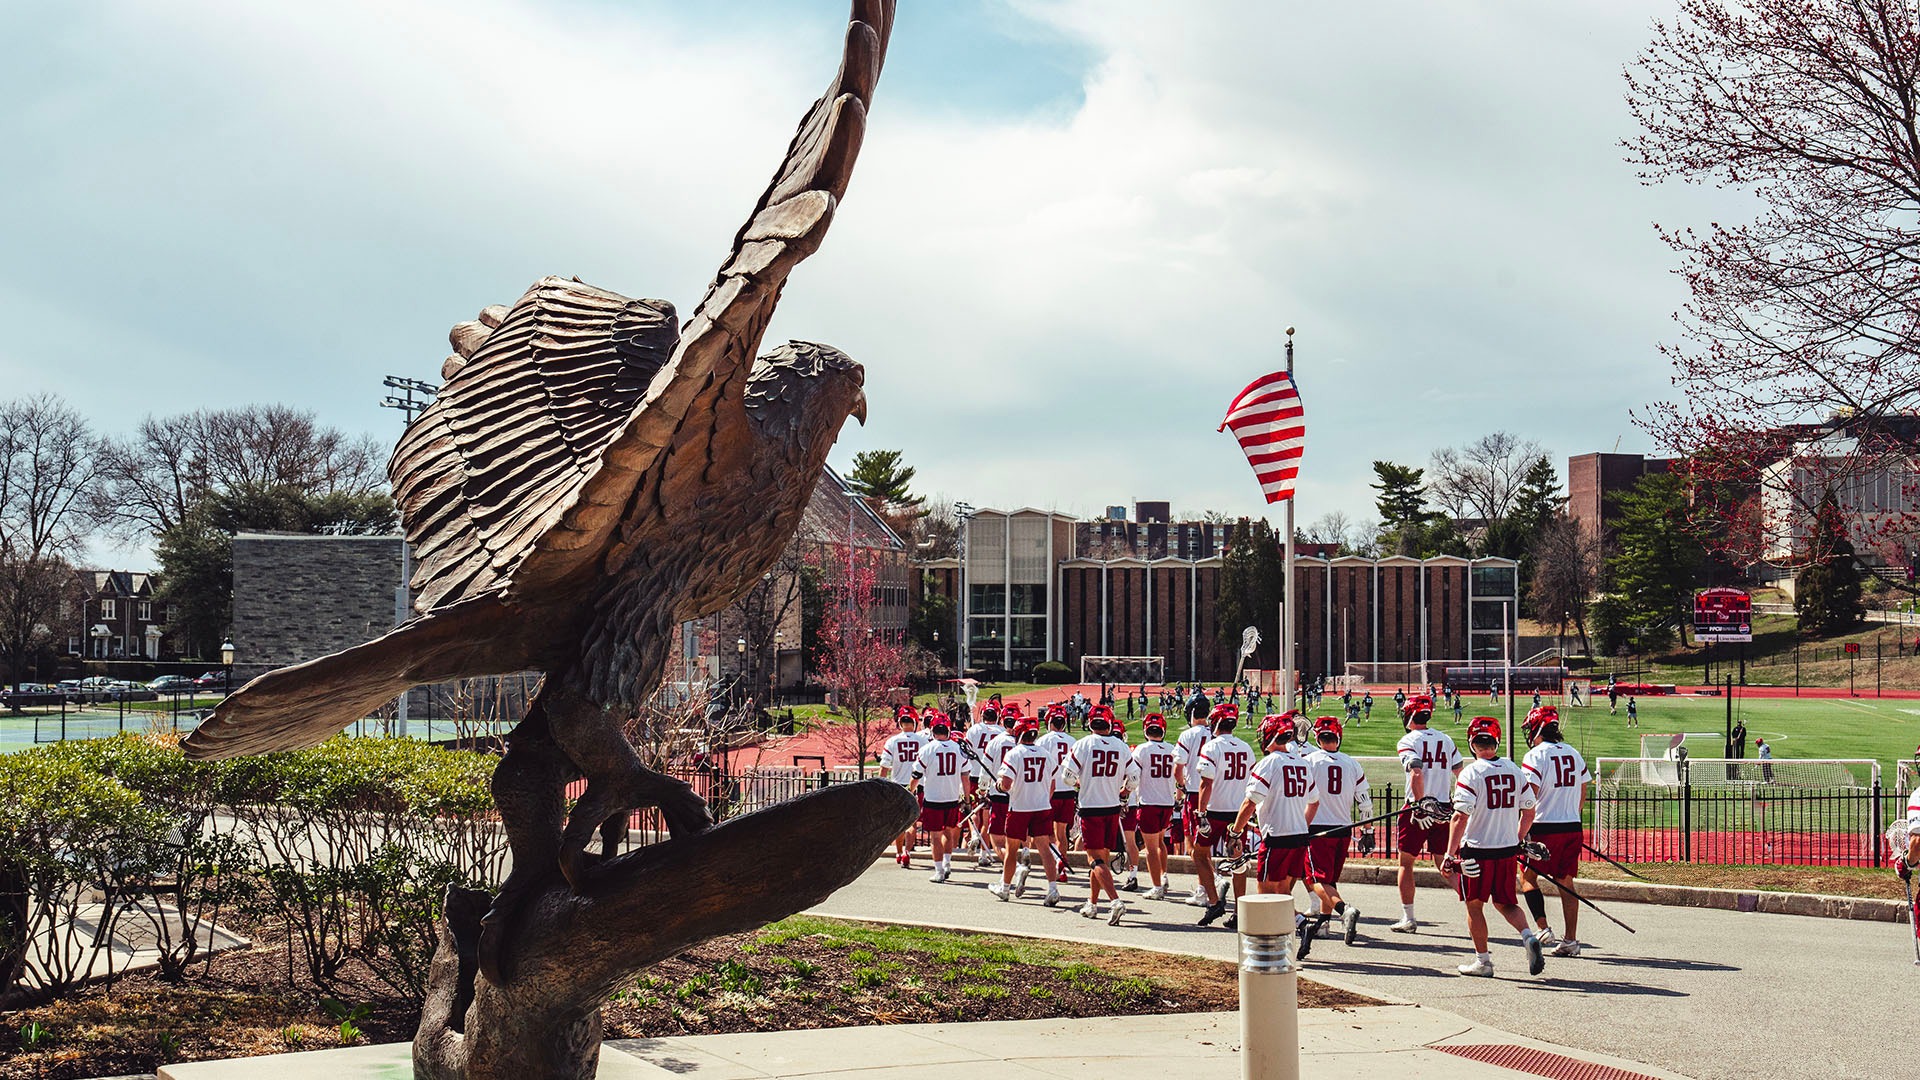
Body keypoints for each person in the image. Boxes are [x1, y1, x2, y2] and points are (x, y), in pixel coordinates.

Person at [1447, 715, 1545, 978]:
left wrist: (1449, 853)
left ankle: (1483, 961)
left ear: (1472, 743)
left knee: (1474, 905)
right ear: (1497, 741)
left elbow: (1460, 816)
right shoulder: (1514, 769)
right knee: (1506, 902)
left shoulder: (1471, 772)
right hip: (1506, 849)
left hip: (1477, 850)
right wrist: (1518, 839)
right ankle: (1527, 936)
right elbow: (1529, 810)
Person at [1233, 713, 1319, 934]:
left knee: (1265, 893)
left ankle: (1282, 933)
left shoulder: (1269, 763)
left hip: (1276, 836)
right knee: (1282, 892)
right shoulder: (1302, 763)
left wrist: (1236, 830)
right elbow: (1314, 802)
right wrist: (1301, 824)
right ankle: (1291, 931)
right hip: (1299, 836)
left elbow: (1249, 802)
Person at [1517, 706, 1591, 958]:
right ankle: (1571, 939)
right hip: (1572, 826)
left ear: (1537, 729)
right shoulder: (1573, 753)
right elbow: (1583, 792)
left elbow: (1530, 796)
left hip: (1543, 827)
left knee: (1527, 878)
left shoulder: (1535, 756)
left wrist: (1520, 829)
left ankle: (1542, 928)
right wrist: (1570, 815)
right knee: (1566, 882)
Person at [1390, 694, 1462, 933]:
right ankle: (1472, 899)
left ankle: (1408, 918)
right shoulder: (1446, 739)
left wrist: (1421, 804)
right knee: (1444, 862)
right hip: (1444, 807)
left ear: (1409, 715)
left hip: (1417, 809)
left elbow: (1416, 773)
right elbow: (1460, 774)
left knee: (1406, 863)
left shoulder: (1407, 740)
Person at [1302, 715, 1371, 949]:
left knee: (1316, 881)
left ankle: (1344, 910)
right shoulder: (1352, 763)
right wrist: (1368, 830)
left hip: (1317, 828)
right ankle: (1324, 923)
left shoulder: (1309, 761)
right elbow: (1365, 802)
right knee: (1329, 880)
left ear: (1318, 738)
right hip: (1343, 829)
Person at [1064, 713, 1139, 924]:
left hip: (1091, 807)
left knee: (1094, 860)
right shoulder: (1120, 746)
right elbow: (1133, 777)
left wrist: (1081, 785)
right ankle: (1092, 903)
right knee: (1102, 860)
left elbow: (1067, 776)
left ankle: (1115, 901)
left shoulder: (1083, 744)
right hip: (1112, 808)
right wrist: (1124, 791)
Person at [1192, 706, 1255, 927]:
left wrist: (1201, 813)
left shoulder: (1211, 747)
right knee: (1237, 860)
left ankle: (1214, 900)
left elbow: (1206, 782)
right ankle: (1239, 910)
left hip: (1216, 810)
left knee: (1198, 854)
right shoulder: (1246, 748)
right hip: (1237, 812)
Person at [990, 722, 1062, 906]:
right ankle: (1053, 889)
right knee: (1045, 849)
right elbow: (1053, 784)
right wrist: (1043, 798)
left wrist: (999, 786)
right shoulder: (1045, 754)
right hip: (1042, 806)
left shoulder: (1014, 753)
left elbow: (1005, 784)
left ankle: (1005, 887)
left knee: (1011, 850)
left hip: (1020, 808)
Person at [909, 716, 969, 883]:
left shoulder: (928, 749)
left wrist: (910, 790)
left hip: (934, 798)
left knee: (935, 837)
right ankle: (947, 863)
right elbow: (965, 776)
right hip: (952, 797)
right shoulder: (958, 748)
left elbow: (916, 775)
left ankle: (939, 870)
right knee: (949, 832)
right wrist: (967, 797)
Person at [1131, 714, 1179, 900]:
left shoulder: (1142, 750)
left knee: (1150, 847)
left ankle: (1156, 886)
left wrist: (1125, 792)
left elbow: (1133, 776)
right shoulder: (1172, 749)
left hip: (1149, 802)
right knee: (1160, 843)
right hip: (1167, 802)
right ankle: (1164, 876)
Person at [1036, 707, 1078, 882]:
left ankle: (1050, 865)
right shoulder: (1073, 740)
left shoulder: (1043, 741)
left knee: (1043, 833)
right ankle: (1061, 866)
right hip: (1068, 791)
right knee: (1062, 833)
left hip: (1050, 791)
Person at [1173, 704, 1215, 875]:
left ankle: (1214, 879)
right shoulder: (1215, 735)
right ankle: (1204, 887)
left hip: (1195, 793)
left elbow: (1178, 771)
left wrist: (1181, 788)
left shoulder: (1187, 735)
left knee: (1192, 846)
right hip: (1214, 793)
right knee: (1206, 845)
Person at [964, 706, 1009, 867]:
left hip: (976, 774)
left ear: (983, 715)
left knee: (974, 810)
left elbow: (965, 752)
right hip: (996, 778)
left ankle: (975, 833)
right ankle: (983, 853)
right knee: (987, 817)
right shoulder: (1003, 731)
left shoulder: (974, 730)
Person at [878, 710, 924, 867]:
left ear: (900, 723)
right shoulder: (923, 741)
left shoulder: (892, 741)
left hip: (898, 785)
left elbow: (884, 766)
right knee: (912, 822)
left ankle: (898, 852)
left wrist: (881, 785)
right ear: (915, 722)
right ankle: (907, 852)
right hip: (917, 784)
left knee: (899, 822)